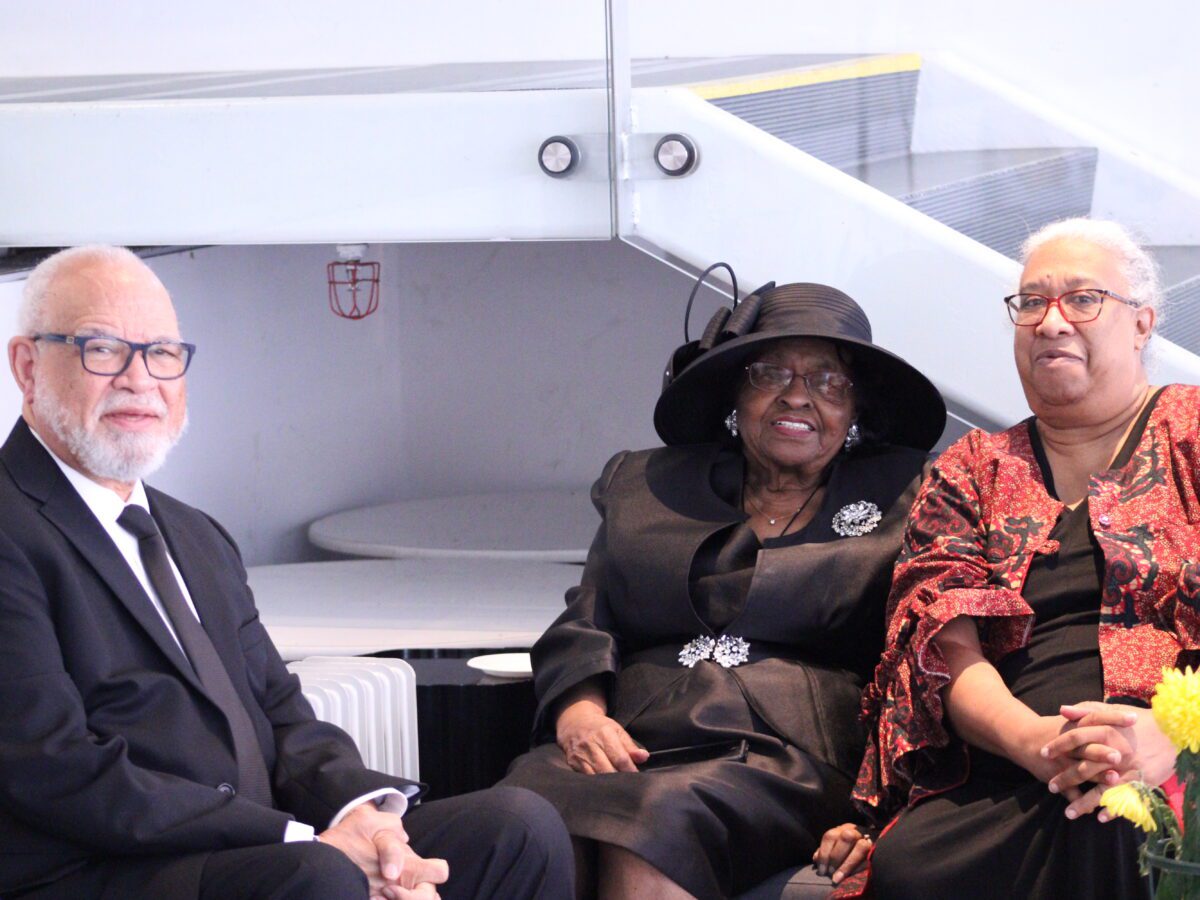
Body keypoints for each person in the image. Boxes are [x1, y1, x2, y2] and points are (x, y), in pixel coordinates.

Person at [0, 245, 573, 900]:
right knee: (319, 879)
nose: (139, 379)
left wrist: (363, 822)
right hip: (101, 872)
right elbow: (55, 769)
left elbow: (280, 709)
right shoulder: (11, 529)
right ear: (27, 365)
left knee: (518, 826)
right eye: (102, 350)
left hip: (256, 851)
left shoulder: (193, 533)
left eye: (161, 352)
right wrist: (299, 840)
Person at [501, 279, 947, 899]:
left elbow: (921, 661)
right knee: (522, 818)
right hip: (630, 735)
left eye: (828, 382)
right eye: (771, 374)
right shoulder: (644, 483)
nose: (798, 397)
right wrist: (579, 716)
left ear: (857, 410)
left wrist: (879, 807)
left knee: (656, 817)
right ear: (736, 391)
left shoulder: (916, 493)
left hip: (789, 756)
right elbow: (586, 619)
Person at [831, 219, 1197, 898]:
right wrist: (1032, 742)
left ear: (1142, 324)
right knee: (912, 865)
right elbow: (937, 638)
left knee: (1124, 824)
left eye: (1083, 299)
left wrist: (1176, 738)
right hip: (1011, 764)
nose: (1052, 322)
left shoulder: (1193, 433)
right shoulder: (971, 470)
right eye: (1032, 302)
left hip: (1172, 754)